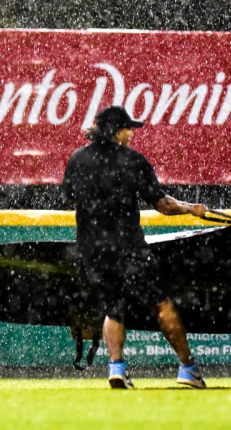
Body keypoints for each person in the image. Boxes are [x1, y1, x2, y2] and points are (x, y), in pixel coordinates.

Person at [63, 106, 208, 389]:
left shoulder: (78, 159)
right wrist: (192, 208)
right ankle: (188, 368)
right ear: (118, 132)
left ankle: (117, 368)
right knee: (162, 304)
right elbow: (163, 204)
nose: (132, 133)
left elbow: (69, 197)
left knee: (113, 308)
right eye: (129, 128)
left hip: (92, 249)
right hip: (128, 247)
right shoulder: (133, 161)